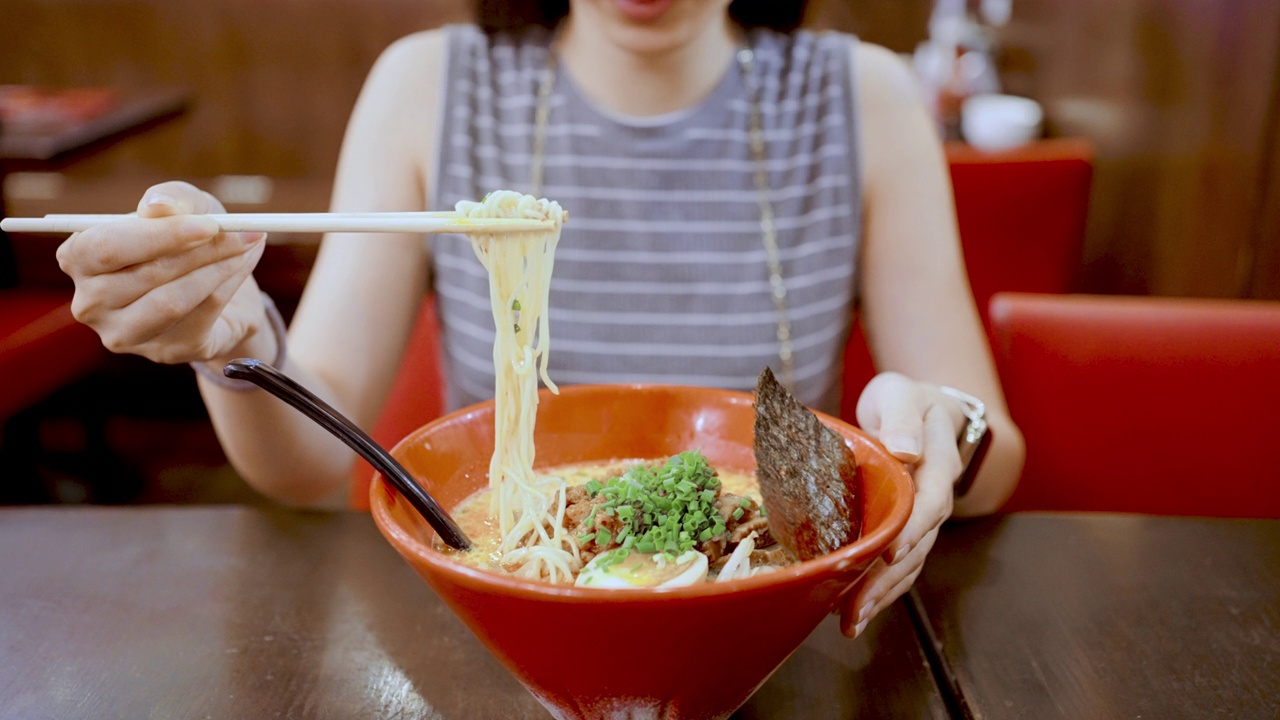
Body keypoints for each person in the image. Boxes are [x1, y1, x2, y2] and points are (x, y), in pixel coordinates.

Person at [54, 0, 1024, 638]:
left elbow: (990, 450)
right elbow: (312, 463)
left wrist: (938, 423)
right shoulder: (427, 86)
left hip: (769, 630)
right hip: (506, 617)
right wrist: (235, 341)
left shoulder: (861, 99)